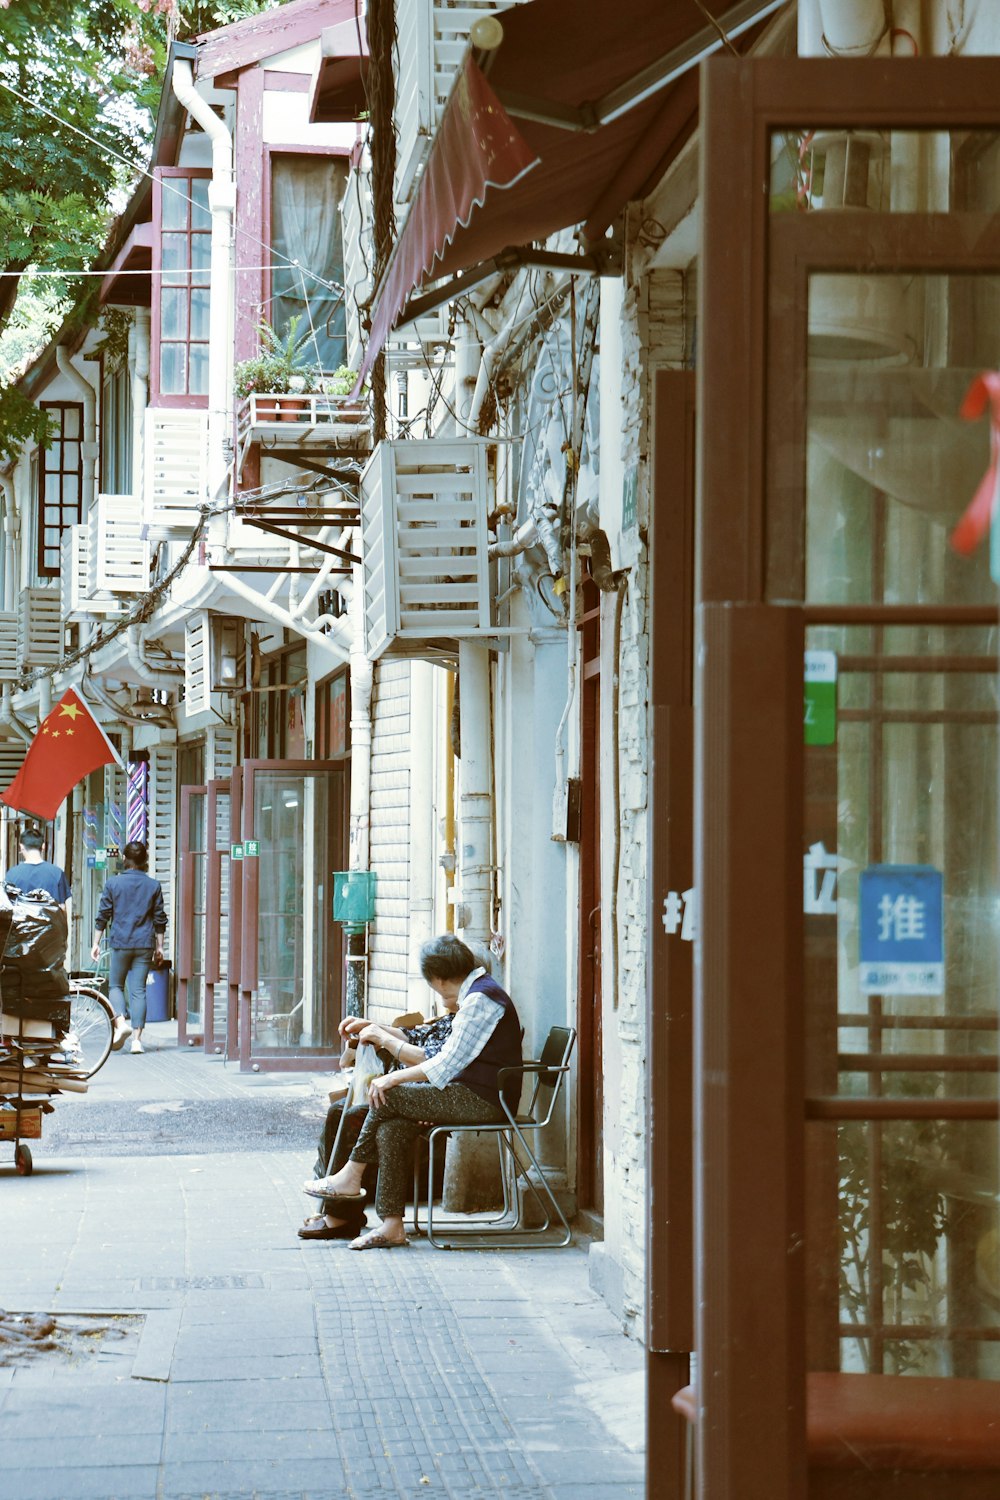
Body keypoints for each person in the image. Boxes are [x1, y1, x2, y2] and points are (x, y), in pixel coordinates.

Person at [304, 934, 522, 1251]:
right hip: (471, 1093)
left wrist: (391, 1080)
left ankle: (352, 1175)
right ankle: (392, 1225)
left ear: (439, 978)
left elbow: (445, 1063)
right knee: (393, 1127)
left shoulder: (480, 1000)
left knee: (388, 1095)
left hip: (483, 1100)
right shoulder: (477, 994)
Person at [298, 1007, 456, 1241]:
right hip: (406, 1096)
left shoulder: (467, 1019)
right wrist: (370, 1027)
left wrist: (383, 1041)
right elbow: (412, 1036)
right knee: (338, 1110)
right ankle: (339, 1207)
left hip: (423, 1098)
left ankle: (342, 1215)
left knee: (355, 1115)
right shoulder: (450, 1017)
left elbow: (433, 1061)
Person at [91, 840, 167, 1055]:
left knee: (115, 985)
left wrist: (96, 943)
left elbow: (103, 916)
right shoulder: (153, 885)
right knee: (139, 990)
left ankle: (121, 1021)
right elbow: (159, 918)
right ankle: (136, 1041)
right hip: (144, 944)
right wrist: (160, 947)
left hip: (121, 943)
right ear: (144, 861)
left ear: (124, 859)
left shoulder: (113, 884)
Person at [5, 827, 71, 910]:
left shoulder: (12, 874)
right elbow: (62, 907)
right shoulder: (57, 873)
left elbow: (7, 907)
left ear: (21, 846)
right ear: (43, 846)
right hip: (50, 923)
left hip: (20, 922)